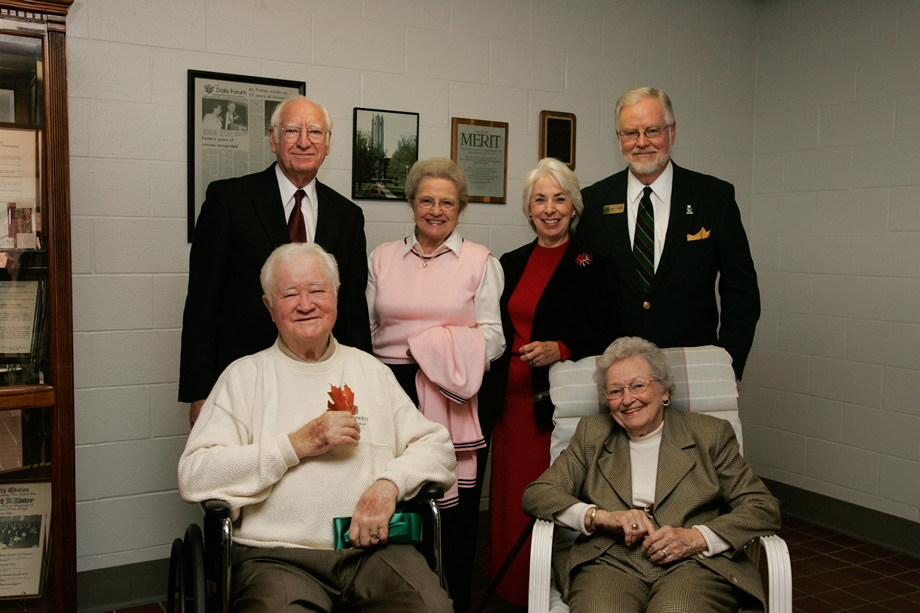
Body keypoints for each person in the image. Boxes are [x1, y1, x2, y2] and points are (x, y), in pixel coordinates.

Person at [178, 243, 455, 612]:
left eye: (318, 290)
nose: (306, 304)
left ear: (336, 296)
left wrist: (390, 485)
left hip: (373, 548)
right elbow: (195, 475)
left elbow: (436, 446)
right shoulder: (243, 377)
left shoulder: (371, 371)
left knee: (429, 607)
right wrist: (296, 444)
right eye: (290, 294)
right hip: (277, 557)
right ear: (269, 307)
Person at [523, 336, 781, 612]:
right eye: (615, 391)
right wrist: (602, 517)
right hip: (609, 560)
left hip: (693, 563)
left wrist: (695, 538)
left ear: (665, 391)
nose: (628, 399)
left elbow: (762, 507)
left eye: (638, 386)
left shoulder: (709, 434)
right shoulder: (592, 435)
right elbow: (538, 494)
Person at [180, 95, 371, 425]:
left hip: (320, 379)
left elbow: (353, 310)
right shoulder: (228, 200)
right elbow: (202, 303)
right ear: (273, 138)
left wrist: (363, 389)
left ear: (327, 144)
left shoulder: (348, 216)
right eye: (292, 130)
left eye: (314, 132)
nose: (303, 141)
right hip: (244, 380)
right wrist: (200, 393)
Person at [366, 157, 504, 610]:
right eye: (426, 200)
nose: (436, 210)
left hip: (453, 395)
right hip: (390, 390)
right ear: (411, 203)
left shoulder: (481, 261)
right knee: (396, 498)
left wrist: (436, 352)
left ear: (461, 207)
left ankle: (453, 601)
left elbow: (495, 338)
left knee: (457, 518)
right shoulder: (382, 257)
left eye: (447, 202)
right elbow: (366, 330)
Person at [485, 158, 619, 607]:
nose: (550, 208)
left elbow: (610, 329)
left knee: (551, 496)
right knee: (508, 499)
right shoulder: (510, 262)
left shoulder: (594, 265)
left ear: (574, 206)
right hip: (509, 406)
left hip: (555, 409)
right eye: (540, 199)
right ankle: (507, 585)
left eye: (559, 198)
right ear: (527, 209)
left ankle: (546, 589)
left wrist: (560, 348)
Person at [577, 87, 760, 379]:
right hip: (617, 377)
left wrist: (728, 363)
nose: (642, 142)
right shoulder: (594, 202)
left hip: (695, 369)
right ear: (618, 139)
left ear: (672, 132)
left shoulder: (713, 198)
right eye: (630, 133)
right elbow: (580, 292)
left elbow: (741, 290)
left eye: (652, 130)